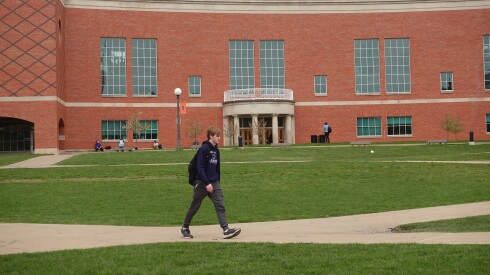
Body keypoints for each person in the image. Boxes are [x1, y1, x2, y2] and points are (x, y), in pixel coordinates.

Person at [181, 126, 241, 239]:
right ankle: (185, 228)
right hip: (202, 182)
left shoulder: (216, 150)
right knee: (195, 206)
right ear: (210, 136)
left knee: (220, 205)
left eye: (220, 135)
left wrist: (217, 181)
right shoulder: (203, 149)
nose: (220, 138)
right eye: (217, 136)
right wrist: (207, 183)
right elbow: (200, 167)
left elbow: (217, 167)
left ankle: (226, 230)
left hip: (214, 182)